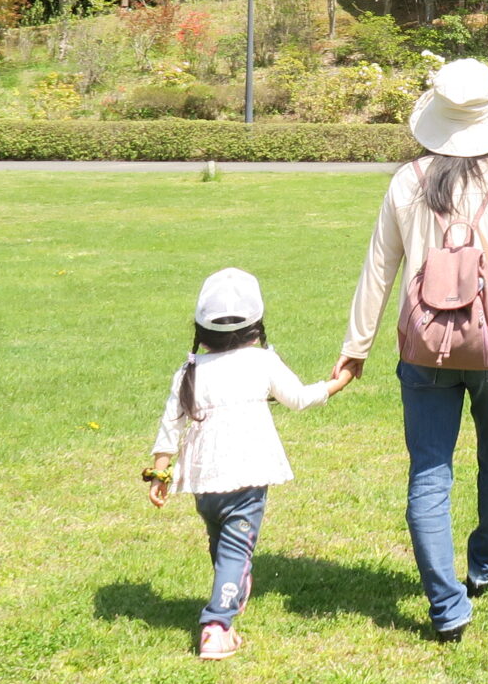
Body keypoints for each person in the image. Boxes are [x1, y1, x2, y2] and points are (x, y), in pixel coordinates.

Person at [334, 59, 488, 643]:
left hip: (423, 350)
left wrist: (355, 347)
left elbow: (378, 268)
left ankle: (446, 605)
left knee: (429, 472)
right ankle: (484, 564)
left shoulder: (407, 180)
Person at [146, 267, 345, 661]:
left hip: (204, 483)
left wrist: (160, 471)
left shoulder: (189, 370)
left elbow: (171, 423)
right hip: (247, 476)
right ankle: (217, 626)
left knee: (222, 542)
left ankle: (233, 585)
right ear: (256, 325)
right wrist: (340, 382)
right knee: (237, 548)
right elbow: (300, 398)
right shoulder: (261, 361)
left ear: (201, 329)